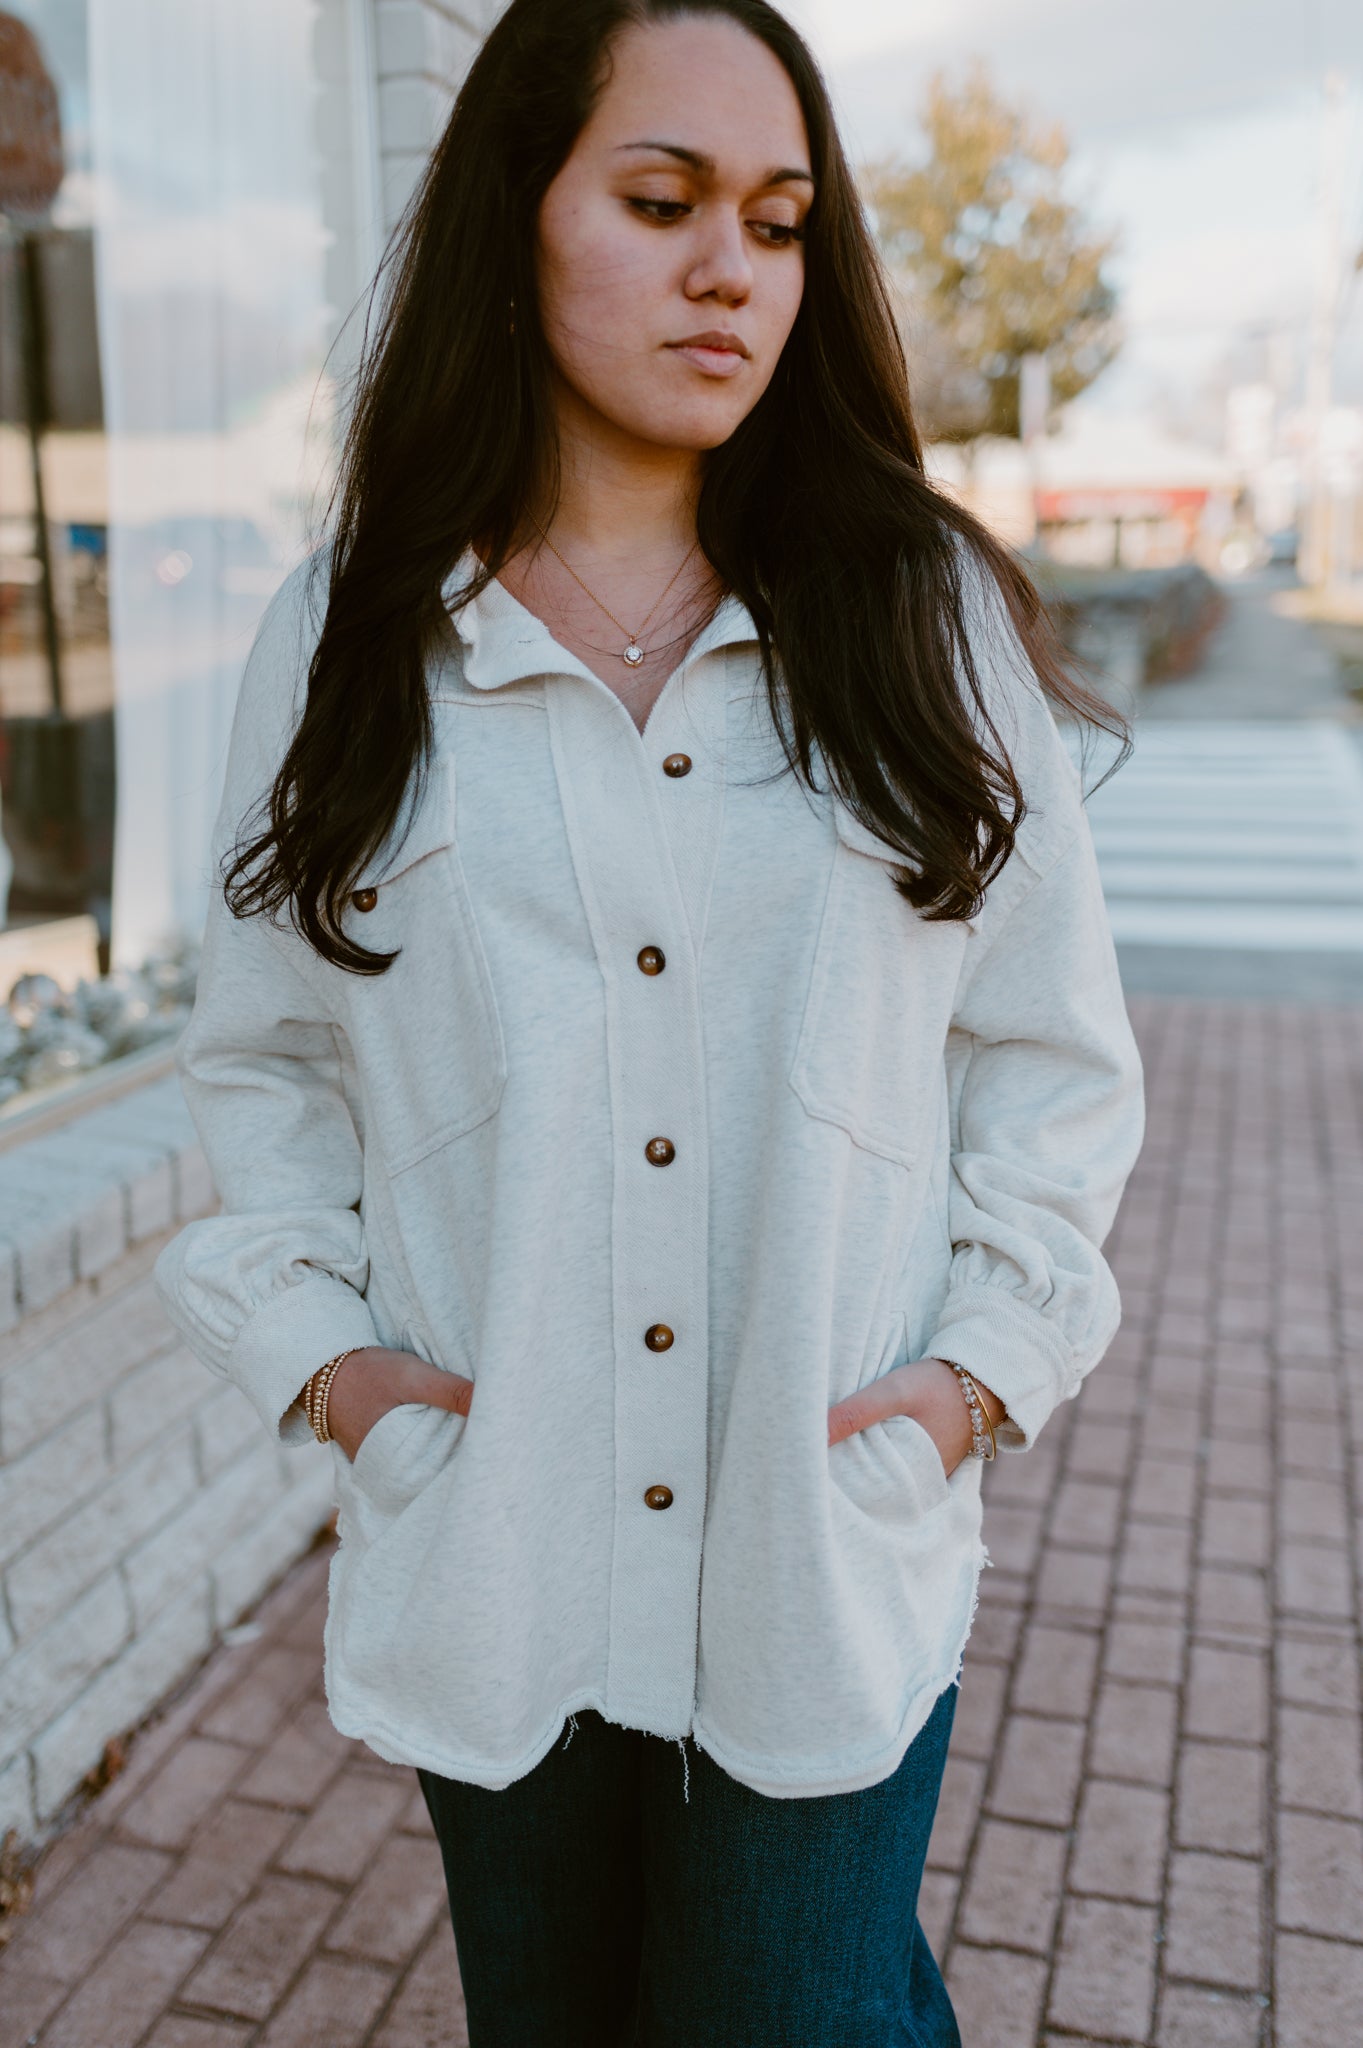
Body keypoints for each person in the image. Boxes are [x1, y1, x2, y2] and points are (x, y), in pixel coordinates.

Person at [155, 2, 1144, 2041]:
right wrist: (332, 1364)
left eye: (779, 223)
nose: (732, 270)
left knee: (796, 2013)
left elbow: (1049, 1057)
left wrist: (974, 1376)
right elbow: (259, 1058)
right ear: (513, 217)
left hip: (819, 1537)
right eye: (662, 199)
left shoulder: (917, 615)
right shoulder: (348, 642)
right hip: (501, 1543)